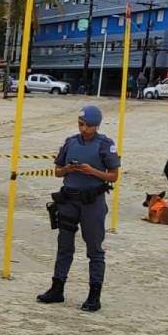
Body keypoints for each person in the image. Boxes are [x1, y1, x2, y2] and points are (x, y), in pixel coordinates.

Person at [37, 105, 120, 312]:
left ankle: (94, 295)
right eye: (81, 124)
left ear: (96, 125)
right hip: (69, 200)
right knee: (64, 245)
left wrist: (92, 171)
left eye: (88, 126)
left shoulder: (104, 145)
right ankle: (57, 288)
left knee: (94, 249)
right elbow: (57, 172)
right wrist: (68, 169)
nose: (84, 129)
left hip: (92, 202)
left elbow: (113, 176)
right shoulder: (70, 142)